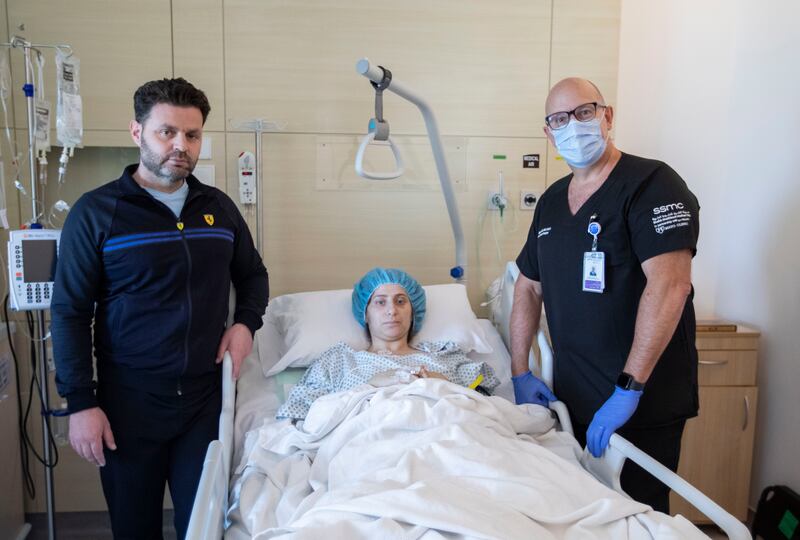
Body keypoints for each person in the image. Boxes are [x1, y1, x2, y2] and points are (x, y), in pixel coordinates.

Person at [51, 78, 269, 539]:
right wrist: (81, 403)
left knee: (205, 526)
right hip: (128, 404)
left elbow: (253, 275)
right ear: (137, 133)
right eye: (166, 132)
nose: (180, 146)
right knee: (135, 529)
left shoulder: (219, 209)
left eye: (191, 135)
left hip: (203, 402)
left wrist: (245, 324)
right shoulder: (97, 213)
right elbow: (70, 311)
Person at [510, 77, 699, 513]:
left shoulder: (652, 184)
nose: (572, 126)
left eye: (584, 112)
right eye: (560, 119)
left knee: (638, 514)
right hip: (574, 399)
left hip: (641, 403)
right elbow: (527, 285)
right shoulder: (552, 201)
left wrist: (628, 390)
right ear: (548, 132)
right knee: (587, 514)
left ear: (607, 116)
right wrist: (520, 372)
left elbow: (670, 284)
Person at [277, 268, 499, 420]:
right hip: (368, 438)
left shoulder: (442, 355)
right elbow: (306, 414)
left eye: (401, 301)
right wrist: (368, 389)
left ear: (413, 312)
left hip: (444, 430)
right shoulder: (339, 361)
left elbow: (481, 405)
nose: (392, 310)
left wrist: (441, 383)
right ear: (365, 313)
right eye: (380, 302)